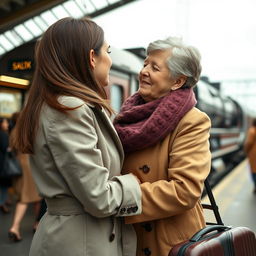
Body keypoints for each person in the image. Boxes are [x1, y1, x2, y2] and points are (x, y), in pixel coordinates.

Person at [11, 17, 141, 256]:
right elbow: (99, 197)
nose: (109, 59)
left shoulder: (60, 105)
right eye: (107, 51)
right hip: (81, 243)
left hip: (77, 237)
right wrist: (137, 184)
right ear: (92, 57)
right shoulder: (70, 109)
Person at [114, 37, 211, 256]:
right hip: (125, 236)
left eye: (154, 67)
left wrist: (118, 196)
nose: (144, 71)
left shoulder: (192, 121)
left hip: (165, 244)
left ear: (177, 81)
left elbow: (184, 190)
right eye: (145, 64)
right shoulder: (129, 114)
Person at [8, 112, 41, 242]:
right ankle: (16, 227)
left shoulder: (13, 132)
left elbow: (13, 148)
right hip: (29, 165)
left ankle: (35, 224)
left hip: (19, 164)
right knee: (31, 197)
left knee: (30, 197)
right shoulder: (26, 130)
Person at [0, 117, 12, 214]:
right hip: (3, 164)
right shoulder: (3, 135)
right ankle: (2, 203)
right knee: (3, 186)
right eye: (5, 123)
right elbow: (5, 148)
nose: (7, 124)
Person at [244, 118, 256, 193]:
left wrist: (246, 151)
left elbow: (249, 143)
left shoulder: (252, 130)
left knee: (254, 171)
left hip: (254, 155)